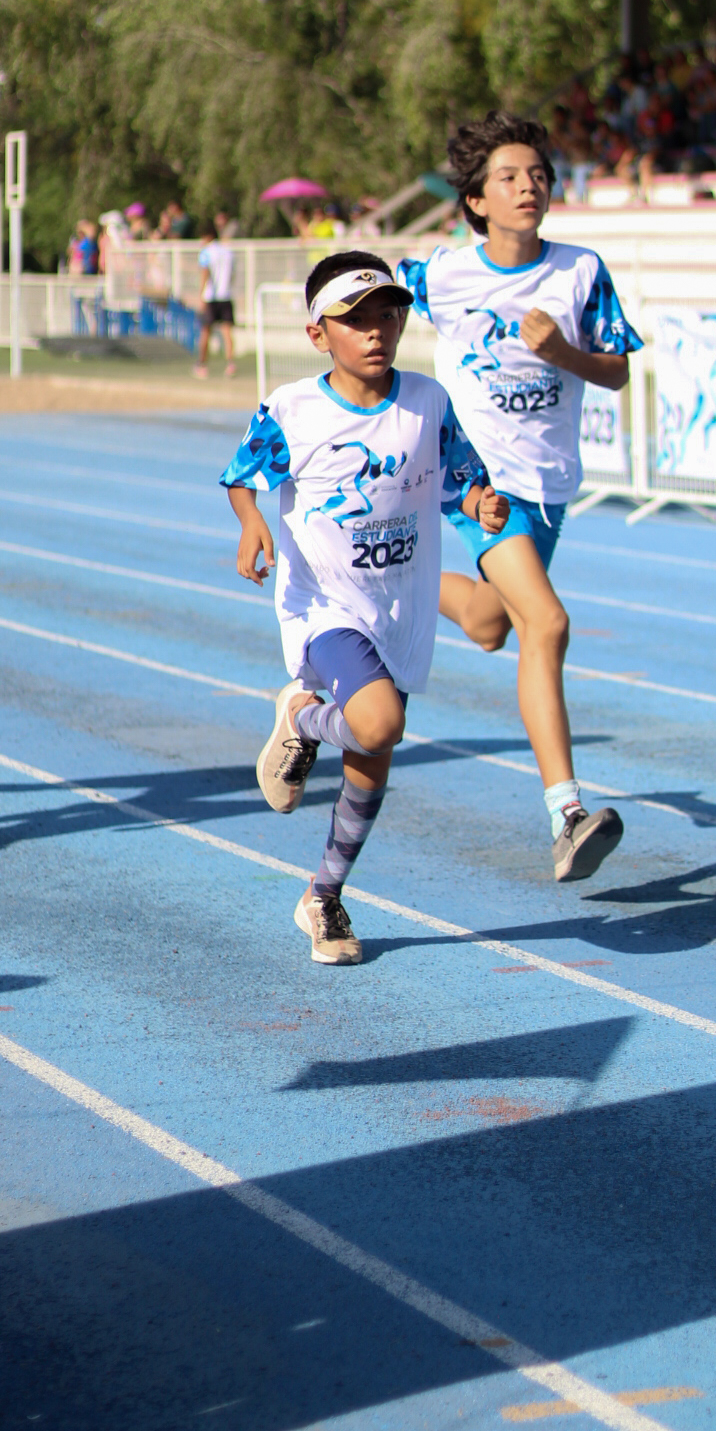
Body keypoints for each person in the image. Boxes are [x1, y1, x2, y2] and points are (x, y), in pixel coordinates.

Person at [220, 253, 506, 963]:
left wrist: (481, 502)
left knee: (371, 752)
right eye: (355, 319)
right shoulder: (292, 408)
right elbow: (241, 476)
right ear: (320, 334)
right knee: (381, 722)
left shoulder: (427, 401)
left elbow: (462, 479)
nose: (376, 331)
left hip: (400, 606)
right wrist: (251, 523)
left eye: (388, 314)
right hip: (324, 605)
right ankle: (299, 714)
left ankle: (324, 895)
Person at [397, 112, 642, 882]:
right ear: (475, 200)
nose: (528, 186)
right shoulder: (439, 273)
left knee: (488, 623)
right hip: (475, 484)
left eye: (537, 174)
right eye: (508, 177)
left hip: (548, 486)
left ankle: (366, 574)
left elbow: (616, 369)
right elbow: (355, 303)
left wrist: (561, 351)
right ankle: (567, 813)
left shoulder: (579, 271)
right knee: (548, 621)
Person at [195, 222, 238, 378]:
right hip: (226, 295)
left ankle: (202, 364)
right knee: (227, 332)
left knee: (206, 331)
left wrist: (201, 295)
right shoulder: (228, 252)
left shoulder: (206, 252)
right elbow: (232, 274)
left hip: (211, 297)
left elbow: (205, 273)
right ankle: (231, 364)